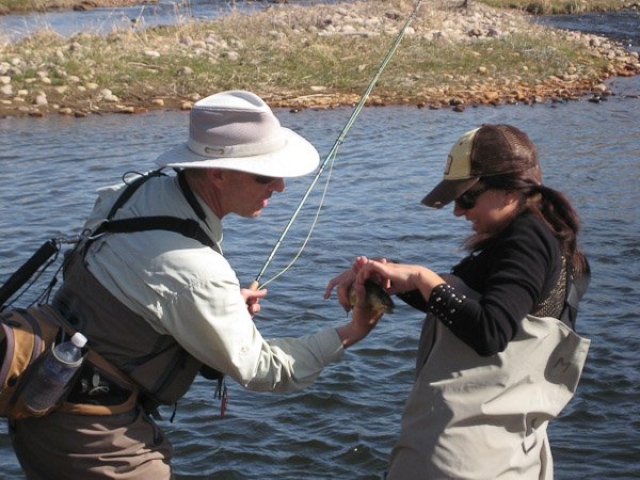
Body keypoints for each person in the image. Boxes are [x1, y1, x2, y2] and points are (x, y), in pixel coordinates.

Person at [9, 90, 384, 479]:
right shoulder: (197, 273)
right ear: (217, 173)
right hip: (95, 441)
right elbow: (264, 370)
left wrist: (203, 309)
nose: (279, 187)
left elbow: (128, 283)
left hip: (39, 406)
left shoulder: (132, 191)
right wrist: (352, 331)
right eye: (264, 175)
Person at [326, 124, 591, 479]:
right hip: (506, 453)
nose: (458, 211)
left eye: (466, 197)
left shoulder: (526, 239)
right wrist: (387, 278)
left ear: (510, 188)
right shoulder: (542, 236)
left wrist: (422, 277)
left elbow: (490, 331)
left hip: (462, 458)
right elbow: (469, 308)